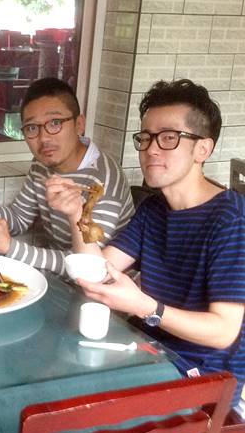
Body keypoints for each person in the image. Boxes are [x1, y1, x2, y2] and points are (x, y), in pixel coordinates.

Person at [46, 79, 245, 407]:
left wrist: (144, 307)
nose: (151, 149)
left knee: (66, 405)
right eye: (146, 137)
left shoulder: (231, 220)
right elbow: (98, 271)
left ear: (203, 149)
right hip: (147, 352)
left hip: (203, 378)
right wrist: (75, 214)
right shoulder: (154, 209)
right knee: (53, 375)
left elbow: (223, 331)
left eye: (169, 137)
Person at [0, 77, 134, 275]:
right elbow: (18, 218)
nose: (44, 138)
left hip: (106, 285)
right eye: (32, 128)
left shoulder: (104, 180)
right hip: (59, 280)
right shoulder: (42, 164)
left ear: (79, 124)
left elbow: (87, 266)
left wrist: (11, 247)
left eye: (55, 123)